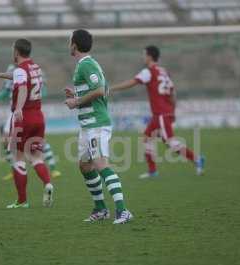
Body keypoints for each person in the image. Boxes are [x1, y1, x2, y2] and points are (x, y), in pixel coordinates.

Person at [64, 29, 133, 224]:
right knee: (85, 166)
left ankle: (123, 210)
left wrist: (76, 102)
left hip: (96, 124)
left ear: (74, 45)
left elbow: (100, 90)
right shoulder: (85, 65)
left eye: (70, 42)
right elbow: (99, 90)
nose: (69, 44)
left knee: (101, 164)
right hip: (87, 125)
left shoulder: (86, 65)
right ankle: (101, 209)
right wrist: (76, 96)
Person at [110, 45, 205, 178]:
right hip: (163, 113)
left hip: (161, 113)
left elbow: (133, 82)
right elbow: (172, 92)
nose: (143, 57)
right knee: (147, 138)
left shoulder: (148, 71)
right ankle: (153, 171)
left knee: (170, 141)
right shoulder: (163, 71)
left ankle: (197, 159)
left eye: (144, 55)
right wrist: (172, 110)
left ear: (149, 56)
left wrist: (112, 88)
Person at [0, 39, 54, 208]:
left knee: (18, 158)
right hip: (39, 117)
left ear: (16, 52)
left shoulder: (20, 70)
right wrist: (1, 75)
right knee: (36, 156)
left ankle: (22, 201)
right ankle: (47, 183)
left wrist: (18, 108)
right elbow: (20, 77)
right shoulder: (35, 68)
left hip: (24, 118)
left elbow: (23, 87)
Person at [0, 64, 62, 180]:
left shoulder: (30, 69)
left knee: (33, 143)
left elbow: (42, 89)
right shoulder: (19, 69)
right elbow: (7, 89)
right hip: (18, 112)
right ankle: (17, 169)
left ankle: (52, 168)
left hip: (25, 111)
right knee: (8, 140)